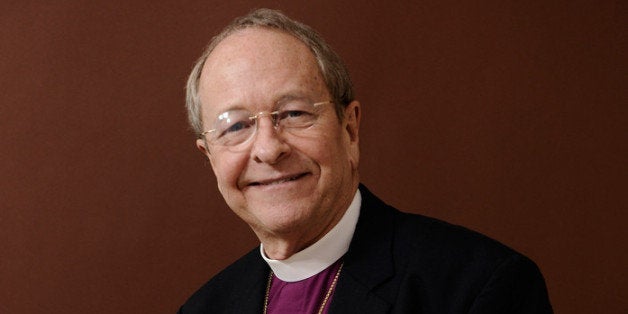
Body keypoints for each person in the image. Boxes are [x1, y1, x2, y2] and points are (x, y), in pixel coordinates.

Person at [178, 8, 552, 314]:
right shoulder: (202, 308)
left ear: (350, 128)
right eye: (236, 126)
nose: (269, 149)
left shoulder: (478, 287)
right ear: (209, 157)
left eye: (293, 113)